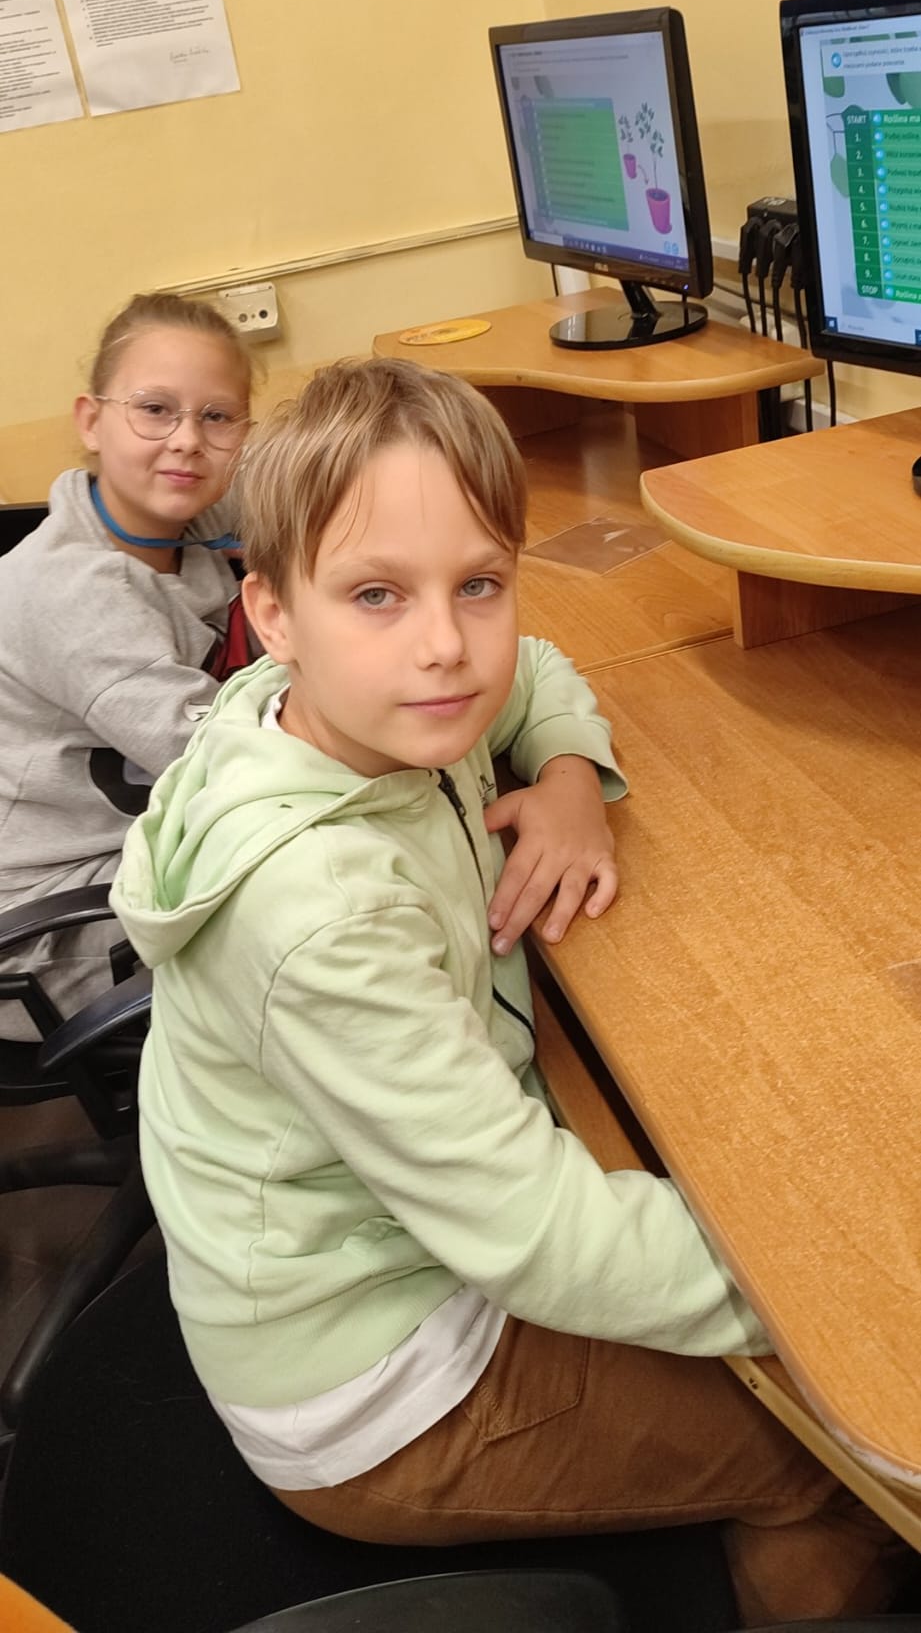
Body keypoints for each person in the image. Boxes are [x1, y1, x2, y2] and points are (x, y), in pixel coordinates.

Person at [112, 358, 902, 1626]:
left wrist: (572, 775)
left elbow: (529, 667)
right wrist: (852, 1284)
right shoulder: (318, 911)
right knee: (841, 1458)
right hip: (380, 1385)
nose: (446, 644)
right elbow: (538, 1236)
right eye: (377, 593)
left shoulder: (339, 703)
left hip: (413, 1248)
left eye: (477, 580)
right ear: (273, 610)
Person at [0, 290, 254, 1031]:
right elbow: (225, 759)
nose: (187, 440)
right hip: (50, 933)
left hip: (146, 843)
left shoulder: (184, 520)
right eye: (154, 409)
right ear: (91, 421)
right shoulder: (72, 591)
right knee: (333, 878)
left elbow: (321, 493)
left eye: (217, 417)